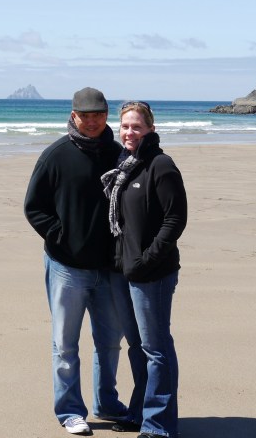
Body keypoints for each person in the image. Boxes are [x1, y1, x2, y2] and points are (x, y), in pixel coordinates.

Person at [24, 87, 133, 435]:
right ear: (73, 116)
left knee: (109, 342)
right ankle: (70, 410)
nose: (91, 121)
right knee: (65, 344)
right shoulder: (55, 155)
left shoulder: (118, 154)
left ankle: (108, 403)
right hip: (66, 267)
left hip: (109, 269)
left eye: (98, 114)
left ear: (106, 116)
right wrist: (61, 236)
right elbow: (33, 207)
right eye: (85, 115)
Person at [101, 101, 188, 438]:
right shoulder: (124, 165)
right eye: (124, 126)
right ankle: (139, 412)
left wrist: (147, 260)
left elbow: (175, 219)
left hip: (154, 273)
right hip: (123, 270)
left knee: (157, 347)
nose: (129, 132)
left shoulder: (161, 165)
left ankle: (159, 425)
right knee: (138, 347)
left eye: (136, 126)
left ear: (150, 128)